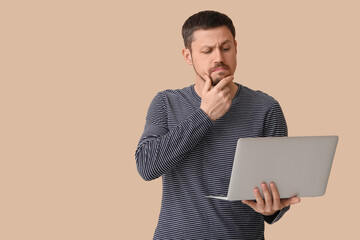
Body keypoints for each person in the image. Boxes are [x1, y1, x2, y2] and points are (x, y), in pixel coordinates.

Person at [135, 10, 301, 240]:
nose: (218, 59)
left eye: (225, 48)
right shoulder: (166, 103)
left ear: (235, 47)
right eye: (207, 51)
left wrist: (273, 209)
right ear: (188, 56)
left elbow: (278, 189)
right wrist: (205, 115)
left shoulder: (266, 108)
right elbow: (146, 166)